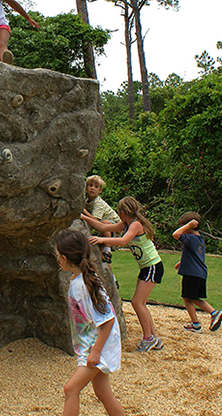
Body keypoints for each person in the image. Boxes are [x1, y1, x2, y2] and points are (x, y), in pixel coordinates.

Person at [55, 228, 125, 416]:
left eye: (58, 256)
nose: (57, 259)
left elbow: (107, 320)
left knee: (71, 389)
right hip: (93, 344)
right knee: (103, 392)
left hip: (98, 346)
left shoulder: (84, 286)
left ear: (64, 258)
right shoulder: (79, 280)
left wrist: (95, 352)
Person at [82, 196, 164, 352]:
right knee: (141, 303)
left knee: (137, 302)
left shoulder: (135, 225)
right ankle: (153, 337)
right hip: (147, 267)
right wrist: (84, 216)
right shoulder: (126, 224)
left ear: (122, 213)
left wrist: (101, 240)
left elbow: (123, 241)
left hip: (152, 266)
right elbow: (103, 226)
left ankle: (149, 338)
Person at [172, 212, 222, 333]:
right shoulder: (199, 239)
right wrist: (182, 262)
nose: (182, 229)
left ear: (190, 226)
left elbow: (175, 234)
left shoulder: (190, 238)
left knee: (191, 298)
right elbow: (195, 255)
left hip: (192, 273)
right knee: (190, 298)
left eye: (183, 226)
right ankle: (195, 323)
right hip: (199, 272)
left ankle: (213, 313)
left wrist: (188, 225)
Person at [80, 175, 120, 264]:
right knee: (101, 258)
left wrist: (84, 212)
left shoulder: (98, 203)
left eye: (96, 187)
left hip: (115, 226)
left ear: (100, 190)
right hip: (102, 230)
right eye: (90, 185)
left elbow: (95, 220)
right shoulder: (87, 202)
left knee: (104, 223)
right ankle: (105, 263)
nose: (92, 188)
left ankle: (107, 250)